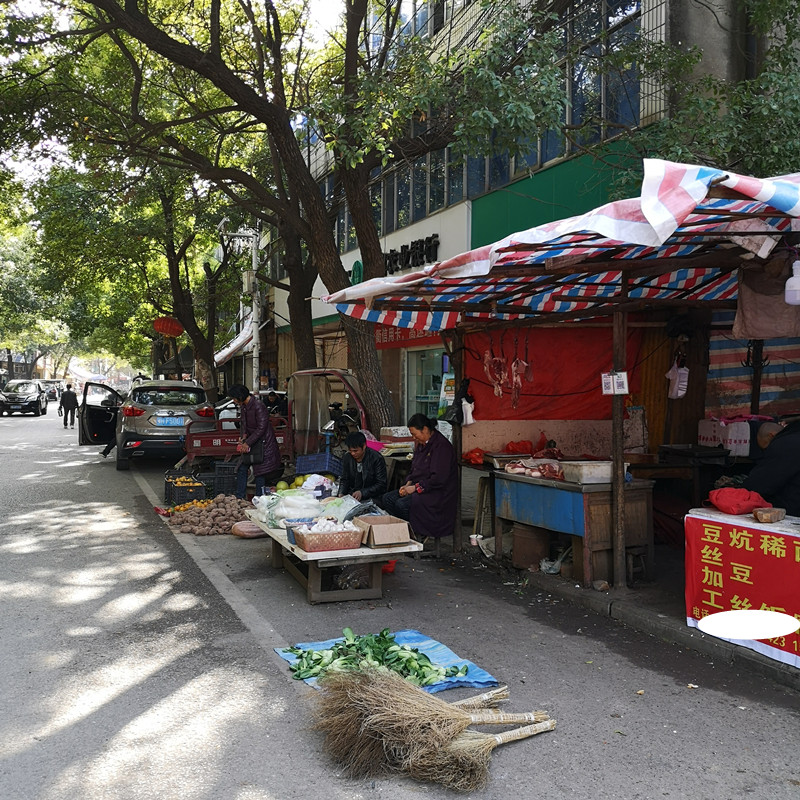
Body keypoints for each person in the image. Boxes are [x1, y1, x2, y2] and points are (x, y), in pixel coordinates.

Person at [380, 413, 458, 540]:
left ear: (425, 429)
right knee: (388, 498)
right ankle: (402, 532)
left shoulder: (441, 447)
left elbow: (438, 479)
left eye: (415, 434)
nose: (414, 438)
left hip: (437, 493)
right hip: (419, 486)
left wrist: (416, 488)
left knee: (402, 505)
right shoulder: (421, 445)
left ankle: (414, 534)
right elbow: (414, 468)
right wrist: (408, 483)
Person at [229, 383, 283, 498]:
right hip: (252, 441)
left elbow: (261, 427)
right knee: (242, 468)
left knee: (260, 472)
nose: (233, 401)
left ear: (240, 396)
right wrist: (243, 437)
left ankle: (259, 499)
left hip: (263, 443)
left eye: (234, 398)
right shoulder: (244, 406)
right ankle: (240, 498)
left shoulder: (258, 405)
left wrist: (248, 442)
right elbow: (244, 424)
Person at [742, 420, 800, 516]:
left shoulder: (785, 444)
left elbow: (761, 483)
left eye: (766, 447)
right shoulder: (795, 436)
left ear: (771, 435)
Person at [338, 431, 387, 502]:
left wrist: (362, 492)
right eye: (350, 451)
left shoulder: (376, 458)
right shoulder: (347, 457)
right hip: (353, 495)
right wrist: (341, 493)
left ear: (364, 446)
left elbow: (381, 484)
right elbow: (344, 479)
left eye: (355, 451)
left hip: (372, 497)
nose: (353, 453)